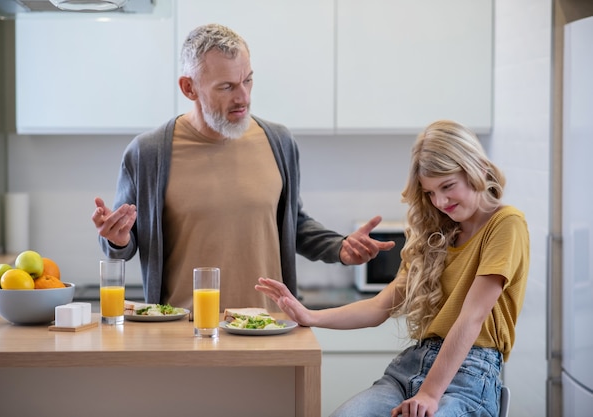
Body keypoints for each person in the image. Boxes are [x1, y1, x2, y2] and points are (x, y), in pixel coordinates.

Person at [91, 23, 393, 312]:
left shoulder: (279, 141)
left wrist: (339, 247)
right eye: (227, 87)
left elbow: (293, 224)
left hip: (269, 325)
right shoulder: (148, 153)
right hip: (184, 330)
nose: (244, 97)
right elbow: (123, 244)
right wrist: (117, 239)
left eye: (248, 80)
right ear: (189, 88)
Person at [256, 119, 530, 417]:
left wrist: (429, 394)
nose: (439, 201)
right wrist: (309, 315)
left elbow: (472, 317)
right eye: (429, 193)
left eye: (447, 186)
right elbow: (379, 307)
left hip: (469, 376)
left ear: (475, 166)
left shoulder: (506, 223)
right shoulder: (436, 233)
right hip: (409, 369)